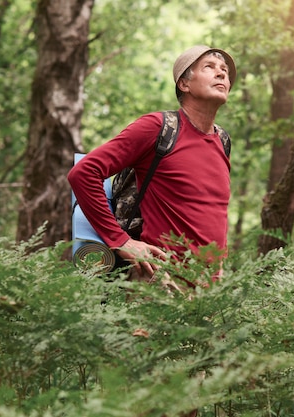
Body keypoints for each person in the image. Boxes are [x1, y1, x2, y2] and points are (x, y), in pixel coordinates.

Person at [68, 45, 236, 286]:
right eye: (209, 67)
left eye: (224, 70)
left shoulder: (223, 141)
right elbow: (84, 173)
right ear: (184, 84)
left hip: (209, 292)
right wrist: (121, 241)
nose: (221, 74)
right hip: (160, 282)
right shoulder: (158, 127)